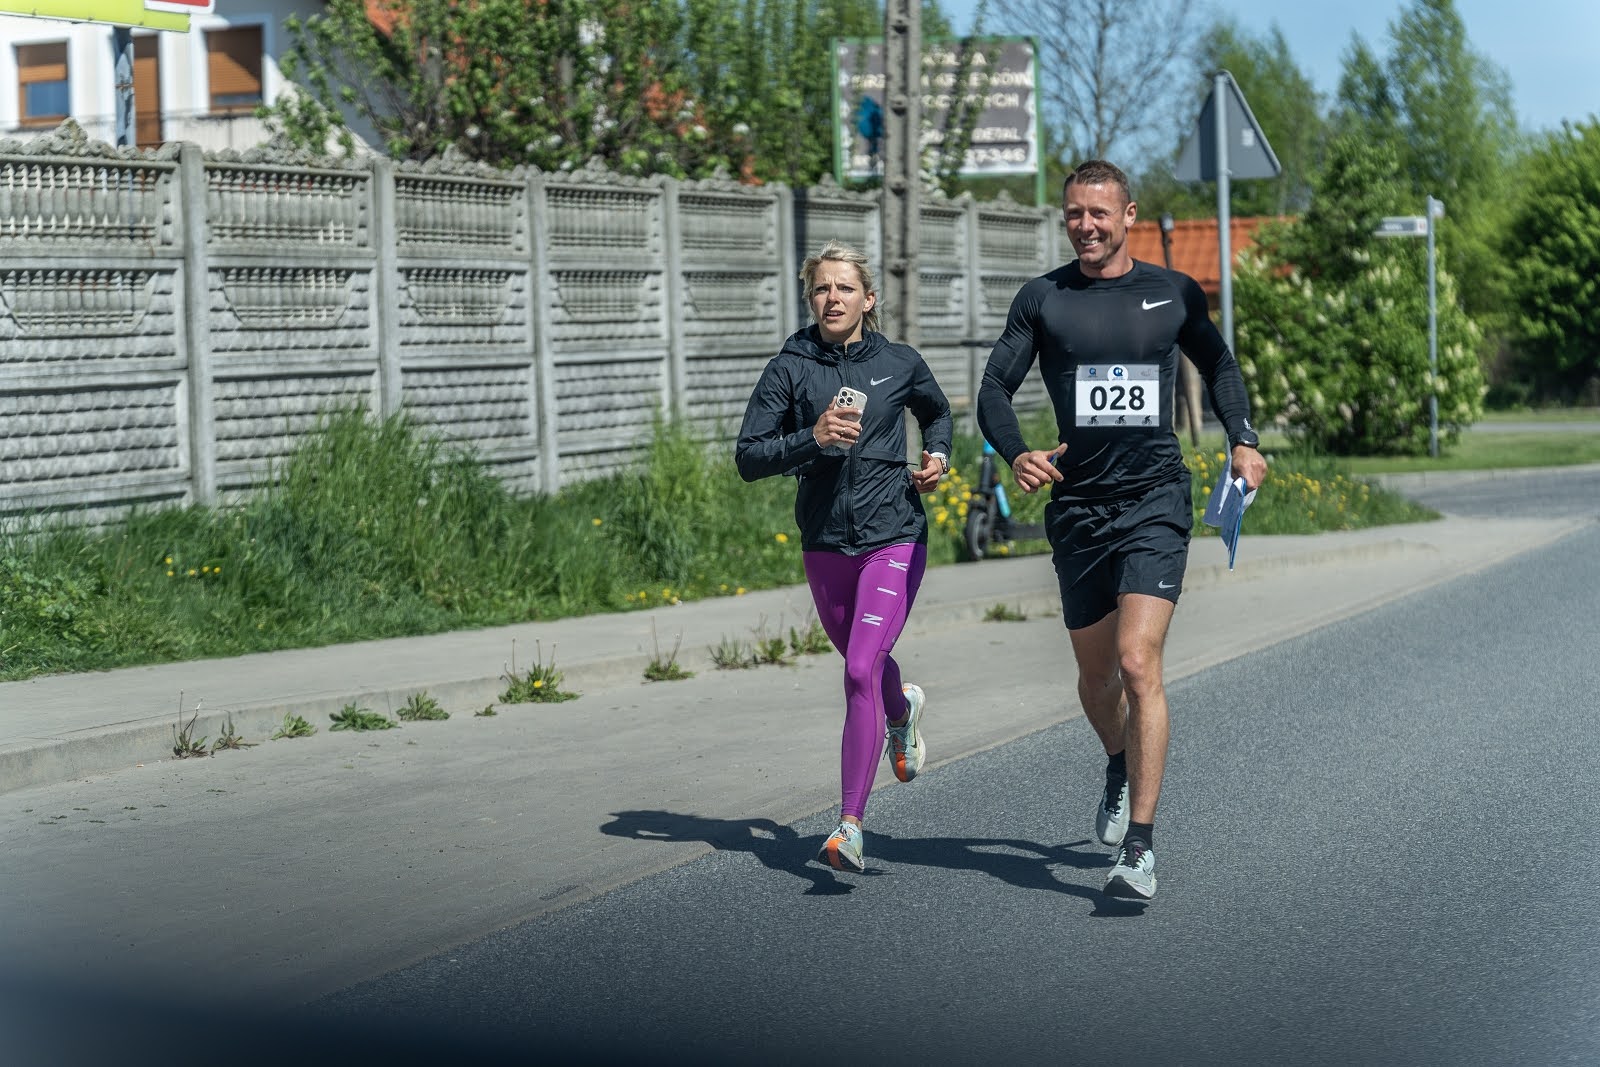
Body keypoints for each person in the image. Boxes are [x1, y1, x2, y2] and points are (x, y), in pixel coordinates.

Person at [976, 160, 1268, 901]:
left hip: (1155, 500)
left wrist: (1243, 437)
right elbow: (993, 388)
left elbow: (1220, 364)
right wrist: (1017, 452)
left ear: (1128, 214)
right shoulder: (1043, 299)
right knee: (1097, 677)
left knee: (1138, 663)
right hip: (1078, 507)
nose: (1086, 226)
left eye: (1099, 213)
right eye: (1075, 213)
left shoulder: (1172, 292)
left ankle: (1139, 847)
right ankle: (1116, 758)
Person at [736, 239, 954, 874]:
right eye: (821, 289)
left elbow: (937, 412)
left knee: (860, 669)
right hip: (825, 541)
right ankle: (902, 710)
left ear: (868, 298)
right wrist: (811, 437)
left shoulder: (899, 362)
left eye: (844, 287)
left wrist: (937, 456)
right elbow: (749, 456)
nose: (832, 298)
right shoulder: (790, 368)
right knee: (867, 667)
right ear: (811, 299)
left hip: (894, 533)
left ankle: (849, 827)